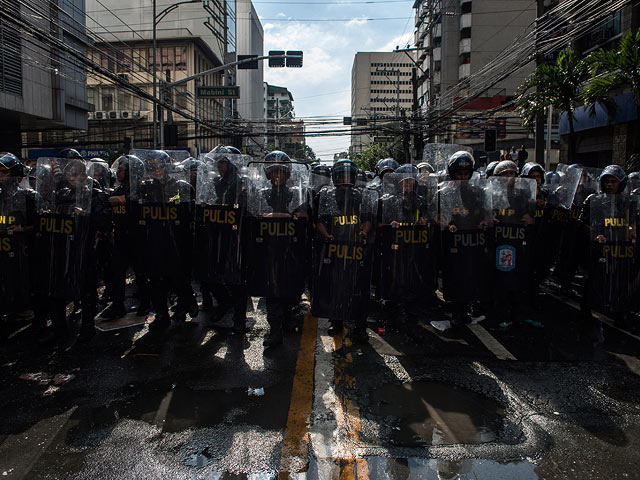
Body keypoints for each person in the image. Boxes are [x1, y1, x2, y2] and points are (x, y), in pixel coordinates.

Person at [135, 150, 198, 330]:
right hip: (154, 240)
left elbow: (187, 213)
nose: (157, 171)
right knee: (155, 279)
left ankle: (187, 300)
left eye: (160, 167)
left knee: (178, 277)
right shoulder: (145, 188)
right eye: (153, 168)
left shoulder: (181, 187)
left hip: (176, 241)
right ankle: (162, 314)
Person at [315, 159, 372, 343]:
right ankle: (336, 321)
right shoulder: (328, 196)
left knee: (358, 287)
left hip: (355, 248)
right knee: (336, 285)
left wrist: (363, 232)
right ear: (335, 178)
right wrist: (327, 236)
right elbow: (321, 221)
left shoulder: (360, 195)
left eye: (349, 176)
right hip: (335, 248)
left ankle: (360, 326)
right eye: (342, 176)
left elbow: (367, 219)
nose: (345, 180)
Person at [101, 155, 151, 319]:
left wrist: (124, 200)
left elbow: (142, 202)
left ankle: (145, 304)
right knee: (117, 273)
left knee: (142, 273)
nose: (119, 173)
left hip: (138, 238)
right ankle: (117, 305)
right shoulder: (119, 189)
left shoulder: (141, 189)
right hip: (121, 238)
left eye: (122, 170)